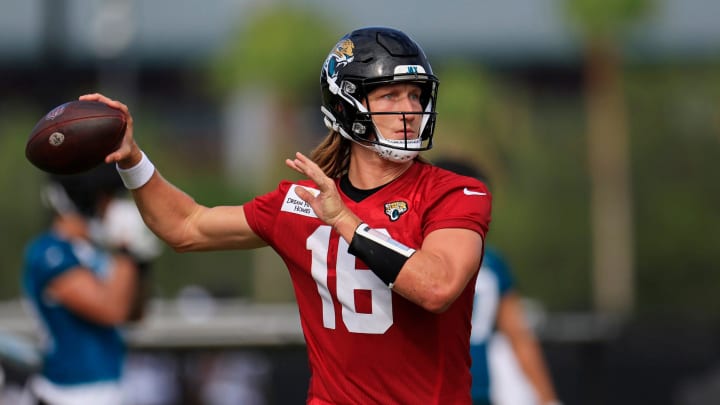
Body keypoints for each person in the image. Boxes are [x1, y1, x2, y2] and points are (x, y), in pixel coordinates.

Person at [81, 26, 491, 404]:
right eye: (390, 95)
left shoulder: (455, 192)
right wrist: (133, 160)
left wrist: (345, 221)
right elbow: (184, 225)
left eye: (415, 95)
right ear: (346, 105)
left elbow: (437, 287)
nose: (410, 109)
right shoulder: (300, 202)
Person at [21, 163, 160, 405]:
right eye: (105, 195)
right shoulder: (48, 253)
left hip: (110, 390)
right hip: (65, 394)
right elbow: (110, 309)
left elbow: (135, 313)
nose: (110, 205)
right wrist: (125, 251)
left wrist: (140, 261)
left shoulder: (96, 255)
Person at [433, 157, 560, 405]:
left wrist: (547, 398)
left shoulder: (492, 261)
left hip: (473, 389)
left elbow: (518, 335)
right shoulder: (414, 258)